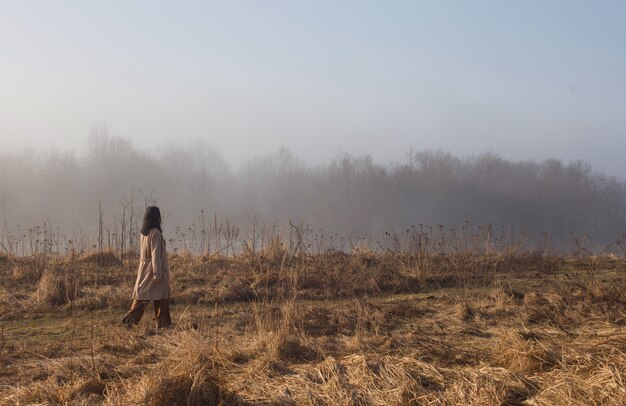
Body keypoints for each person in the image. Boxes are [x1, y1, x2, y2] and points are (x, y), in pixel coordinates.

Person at [122, 206, 172, 329]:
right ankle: (163, 324)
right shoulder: (155, 233)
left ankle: (132, 319)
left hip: (144, 269)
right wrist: (157, 274)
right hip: (155, 269)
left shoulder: (144, 233)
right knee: (161, 297)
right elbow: (155, 255)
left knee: (143, 296)